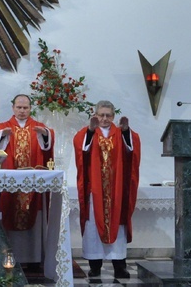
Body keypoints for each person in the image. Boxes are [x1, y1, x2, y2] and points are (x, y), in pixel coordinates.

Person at [73, 100, 140, 279]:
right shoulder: (87, 133)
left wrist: (126, 132)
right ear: (95, 115)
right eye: (101, 115)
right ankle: (95, 266)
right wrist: (89, 130)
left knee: (117, 225)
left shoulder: (120, 133)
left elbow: (132, 152)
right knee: (94, 226)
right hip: (95, 190)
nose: (104, 119)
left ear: (113, 116)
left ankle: (120, 266)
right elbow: (82, 151)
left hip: (116, 189)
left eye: (108, 115)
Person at [0, 94, 54, 270]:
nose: (22, 111)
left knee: (33, 213)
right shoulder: (4, 127)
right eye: (19, 107)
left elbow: (48, 142)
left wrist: (46, 135)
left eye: (25, 108)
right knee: (9, 212)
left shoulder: (38, 128)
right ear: (13, 108)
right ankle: (9, 257)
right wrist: (2, 136)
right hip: (11, 187)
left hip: (32, 188)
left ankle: (32, 259)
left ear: (30, 108)